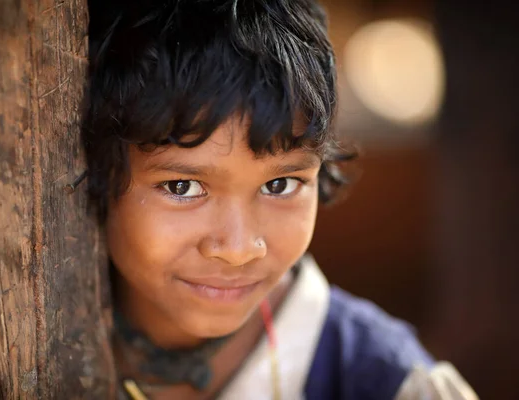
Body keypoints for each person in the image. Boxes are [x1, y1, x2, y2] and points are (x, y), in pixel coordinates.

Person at [82, 1, 478, 399]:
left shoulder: (391, 384)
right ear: (94, 169)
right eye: (182, 187)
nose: (238, 250)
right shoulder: (34, 337)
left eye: (280, 185)